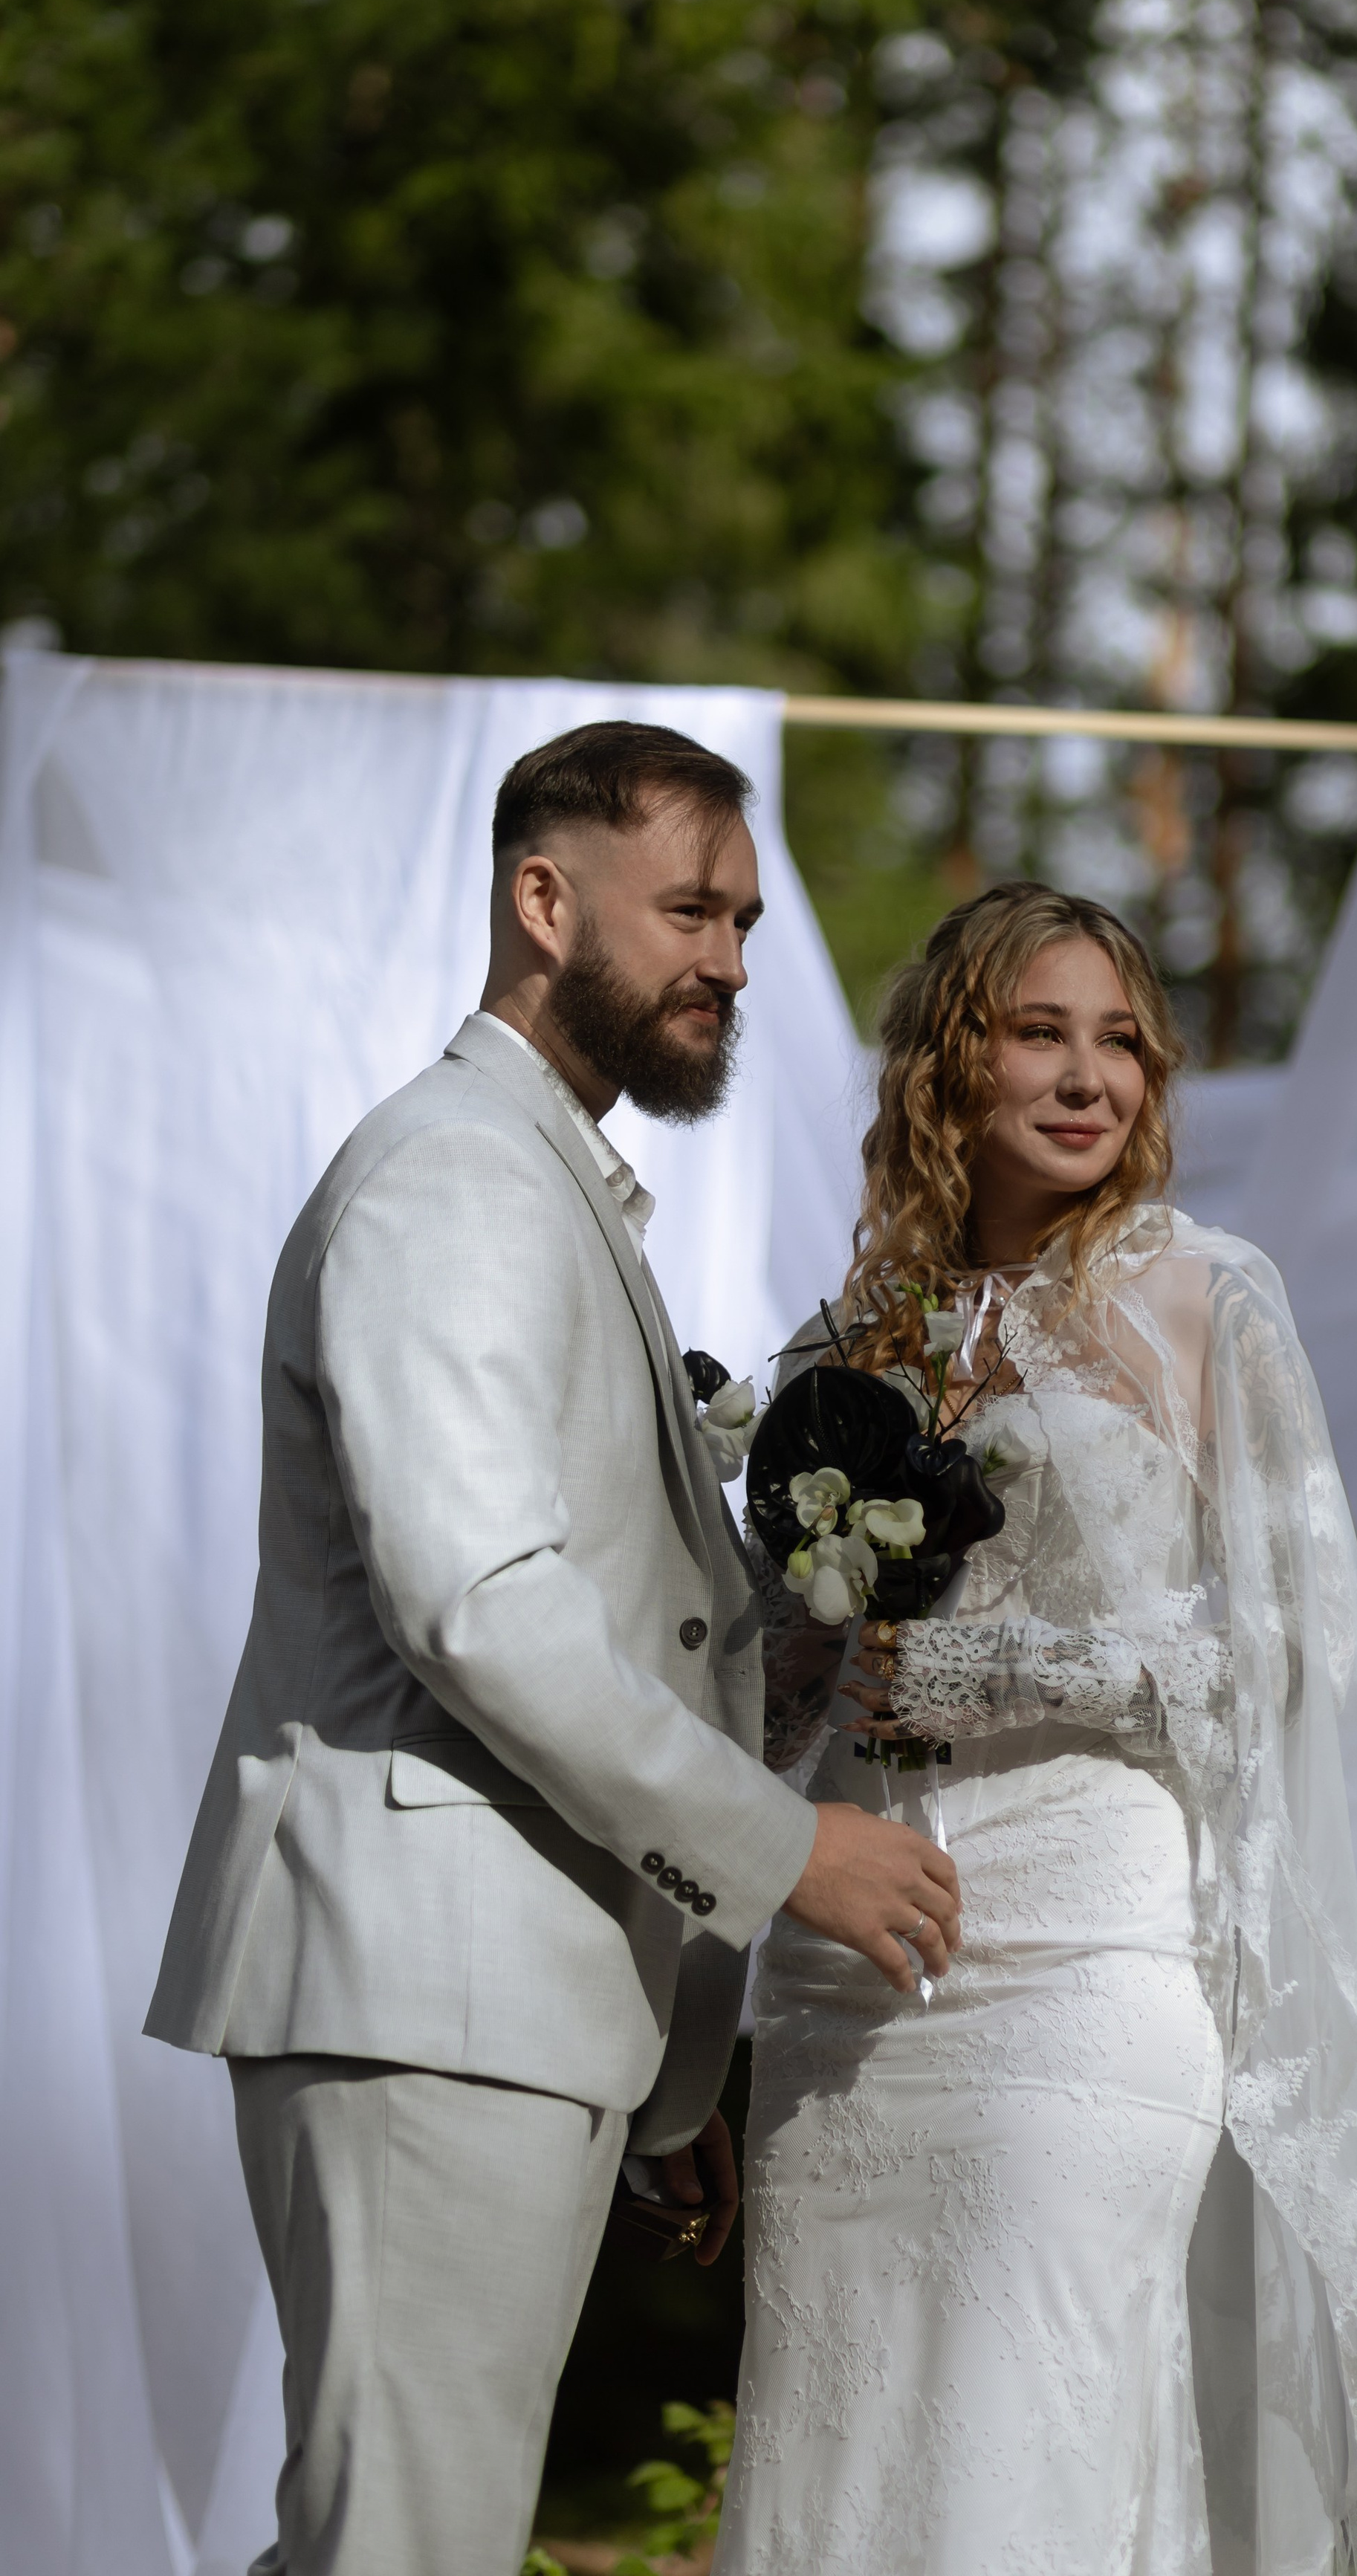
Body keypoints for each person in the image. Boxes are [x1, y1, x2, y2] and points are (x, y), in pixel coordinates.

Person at [145, 720, 960, 2576]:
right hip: (425, 1987)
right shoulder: (454, 1175)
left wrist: (664, 2046)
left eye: (743, 923)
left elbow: (613, 1607)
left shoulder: (542, 1172)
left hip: (509, 1996)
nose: (729, 962)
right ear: (541, 899)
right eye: (688, 911)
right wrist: (787, 1857)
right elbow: (481, 1611)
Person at [716, 881, 1357, 2576]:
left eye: (1119, 1043)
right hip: (848, 1984)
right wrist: (811, 1662)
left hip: (1091, 1965)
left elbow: (1290, 1655)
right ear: (949, 1061)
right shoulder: (847, 1339)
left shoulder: (1204, 1299)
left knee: (1038, 2443)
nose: (1088, 1077)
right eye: (1039, 1033)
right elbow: (767, 1692)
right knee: (834, 2448)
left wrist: (996, 1672)